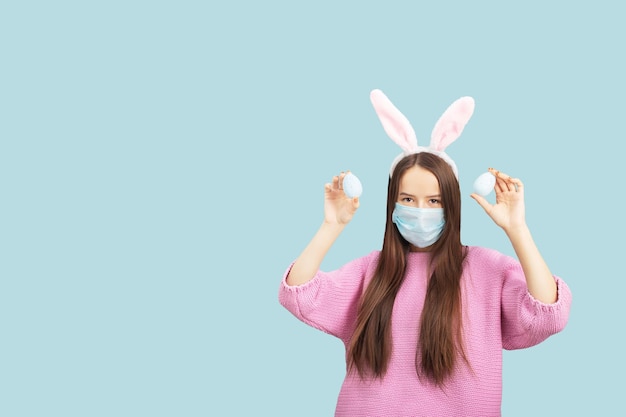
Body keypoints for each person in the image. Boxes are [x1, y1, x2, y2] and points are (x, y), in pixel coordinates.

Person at [278, 90, 572, 417]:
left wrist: (518, 229)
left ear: (452, 205)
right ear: (391, 204)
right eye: (407, 199)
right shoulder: (369, 271)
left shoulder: (486, 269)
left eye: (434, 201)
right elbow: (298, 295)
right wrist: (331, 226)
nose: (420, 210)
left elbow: (548, 312)